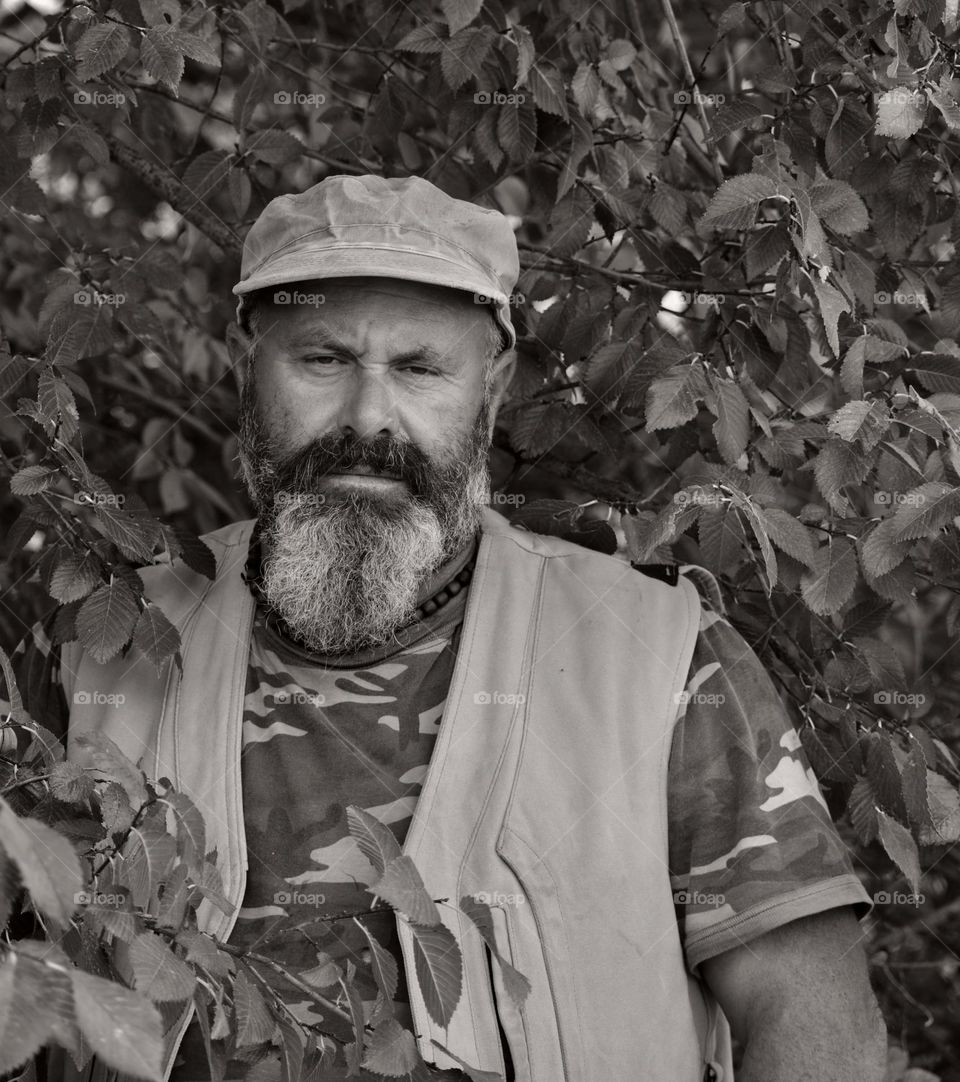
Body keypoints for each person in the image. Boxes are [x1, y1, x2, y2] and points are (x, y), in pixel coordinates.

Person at [11, 175, 885, 1081]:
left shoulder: (656, 660)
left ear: (493, 386)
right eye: (322, 359)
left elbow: (811, 1024)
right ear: (248, 363)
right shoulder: (100, 645)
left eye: (421, 368)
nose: (367, 417)